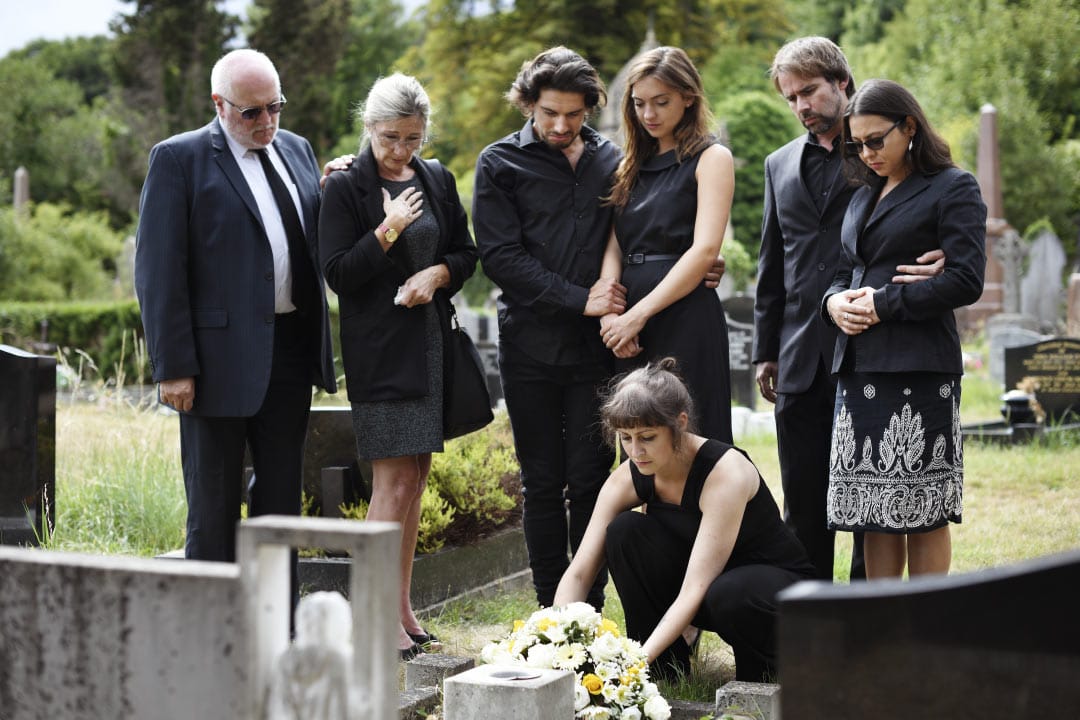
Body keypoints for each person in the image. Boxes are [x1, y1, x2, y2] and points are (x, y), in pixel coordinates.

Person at [134, 49, 337, 565]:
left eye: (275, 107)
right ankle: (213, 634)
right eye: (252, 112)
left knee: (280, 504)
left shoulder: (297, 149)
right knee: (214, 503)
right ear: (219, 104)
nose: (266, 121)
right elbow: (159, 272)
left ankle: (278, 628)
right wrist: (174, 366)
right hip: (213, 361)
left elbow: (307, 236)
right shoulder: (179, 159)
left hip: (289, 352)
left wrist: (340, 187)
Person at [753, 37, 944, 580]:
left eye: (809, 91)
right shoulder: (777, 164)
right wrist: (767, 350)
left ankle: (866, 626)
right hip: (797, 358)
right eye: (791, 98)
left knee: (869, 508)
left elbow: (922, 209)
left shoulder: (880, 149)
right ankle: (818, 632)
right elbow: (773, 263)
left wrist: (949, 254)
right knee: (804, 507)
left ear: (842, 83)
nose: (801, 106)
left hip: (869, 349)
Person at [318, 73, 478, 660]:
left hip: (431, 347)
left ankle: (402, 607)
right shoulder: (344, 187)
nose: (400, 150)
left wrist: (437, 276)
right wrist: (390, 229)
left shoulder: (436, 177)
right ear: (369, 127)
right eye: (390, 137)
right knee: (393, 482)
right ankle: (370, 613)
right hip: (381, 354)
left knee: (416, 479)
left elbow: (465, 253)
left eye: (412, 138)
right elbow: (338, 274)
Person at [472, 47, 624, 612]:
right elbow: (501, 257)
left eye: (574, 114)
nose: (561, 126)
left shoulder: (613, 159)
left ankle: (589, 609)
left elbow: (635, 232)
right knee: (540, 483)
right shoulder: (498, 163)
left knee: (591, 480)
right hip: (530, 347)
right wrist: (579, 299)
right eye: (549, 114)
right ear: (528, 104)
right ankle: (548, 612)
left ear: (590, 107)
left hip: (595, 352)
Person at [554, 358, 816, 682]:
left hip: (771, 597)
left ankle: (766, 677)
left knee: (730, 591)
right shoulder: (628, 477)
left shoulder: (725, 473)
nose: (636, 451)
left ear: (679, 423)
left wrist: (629, 667)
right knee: (625, 532)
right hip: (710, 592)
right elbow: (580, 571)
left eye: (647, 437)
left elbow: (695, 588)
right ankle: (663, 672)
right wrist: (553, 642)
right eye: (625, 438)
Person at [823, 78, 986, 579]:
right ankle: (883, 631)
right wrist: (834, 304)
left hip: (918, 366)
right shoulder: (862, 195)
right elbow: (843, 270)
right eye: (858, 144)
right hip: (858, 366)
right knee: (870, 513)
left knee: (923, 512)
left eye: (877, 140)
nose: (867, 153)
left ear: (909, 126)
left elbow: (965, 279)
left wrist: (883, 304)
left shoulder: (953, 187)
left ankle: (928, 632)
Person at [599, 46, 735, 444]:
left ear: (688, 97)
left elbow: (705, 250)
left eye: (661, 102)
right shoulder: (627, 165)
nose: (649, 114)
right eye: (639, 103)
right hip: (628, 319)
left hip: (685, 312)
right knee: (639, 438)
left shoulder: (712, 157)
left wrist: (637, 316)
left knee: (693, 435)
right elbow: (613, 245)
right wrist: (612, 316)